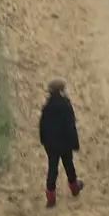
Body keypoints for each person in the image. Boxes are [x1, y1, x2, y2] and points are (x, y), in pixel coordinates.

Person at [38, 78, 85, 208]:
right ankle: (74, 188)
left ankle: (51, 198)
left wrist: (44, 141)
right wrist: (75, 143)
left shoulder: (47, 107)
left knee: (52, 168)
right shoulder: (66, 105)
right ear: (61, 90)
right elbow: (70, 126)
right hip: (65, 143)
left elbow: (42, 126)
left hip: (51, 145)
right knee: (69, 165)